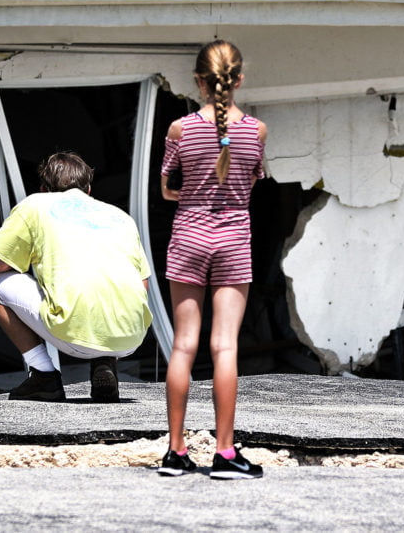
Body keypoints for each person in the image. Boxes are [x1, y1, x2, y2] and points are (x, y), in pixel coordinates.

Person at [157, 40, 267, 479]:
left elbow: (167, 188)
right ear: (238, 80)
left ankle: (176, 451)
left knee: (184, 344)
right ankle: (224, 453)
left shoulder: (179, 130)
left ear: (198, 82)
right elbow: (251, 184)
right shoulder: (256, 131)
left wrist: (194, 195)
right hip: (234, 240)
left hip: (188, 236)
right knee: (225, 346)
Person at [0, 151, 153, 403]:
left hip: (73, 333)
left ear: (44, 188)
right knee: (105, 284)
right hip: (131, 336)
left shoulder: (35, 205)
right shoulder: (120, 216)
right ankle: (104, 362)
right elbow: (143, 283)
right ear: (88, 189)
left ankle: (43, 375)